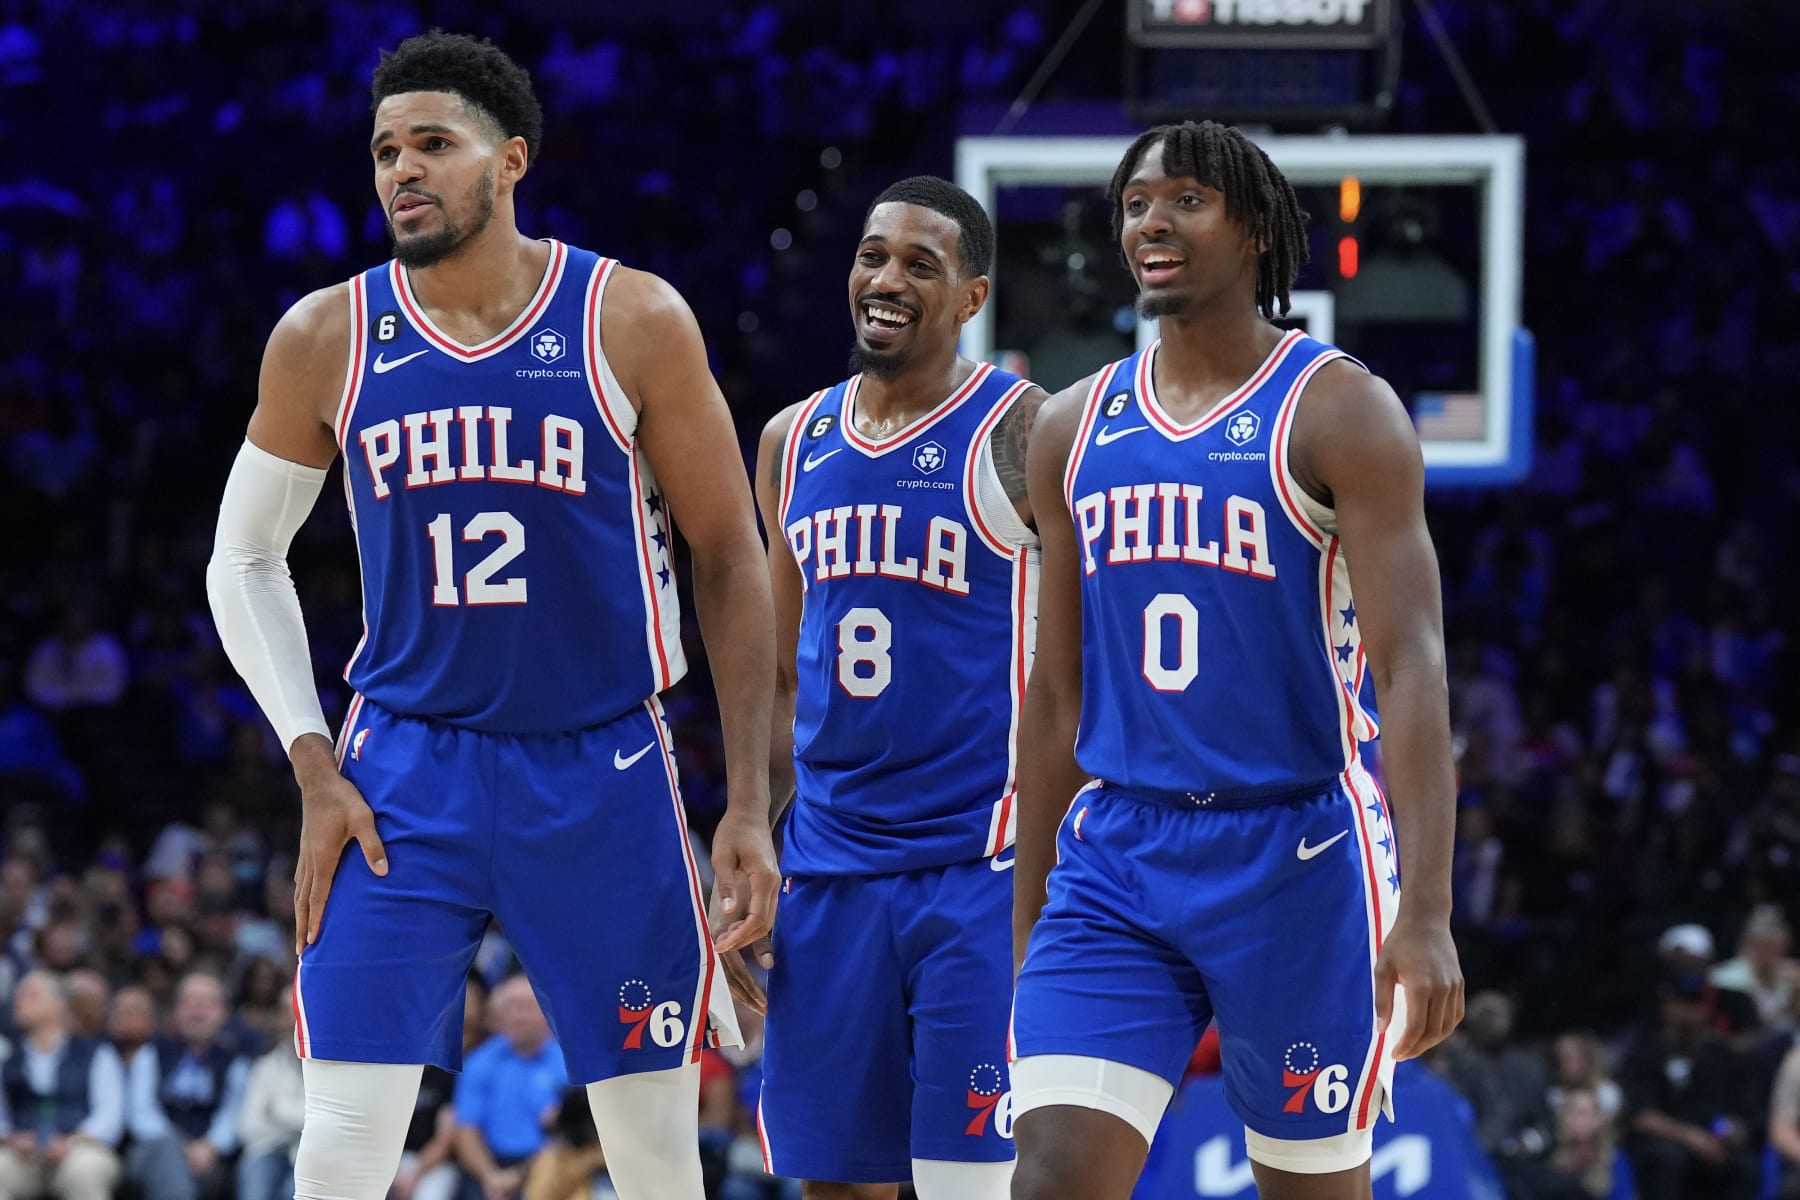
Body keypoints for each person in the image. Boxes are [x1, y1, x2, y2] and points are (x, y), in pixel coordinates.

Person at [202, 30, 780, 1200]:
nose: (401, 170)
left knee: (656, 1151)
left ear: (510, 159)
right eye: (383, 152)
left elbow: (730, 554)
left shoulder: (633, 318)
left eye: (432, 144)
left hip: (604, 763)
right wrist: (312, 762)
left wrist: (752, 802)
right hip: (402, 770)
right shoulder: (327, 336)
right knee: (342, 1139)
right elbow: (242, 556)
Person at [1008, 120, 1465, 1200]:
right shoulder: (1071, 427)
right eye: (1134, 204)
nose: (1150, 223)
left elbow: (1412, 669)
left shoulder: (1341, 410)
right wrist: (1028, 919)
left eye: (1184, 200)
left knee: (1308, 1186)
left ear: (1255, 227)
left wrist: (1429, 914)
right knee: (1053, 1179)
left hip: (1297, 851)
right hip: (1120, 852)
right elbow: (1056, 690)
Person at [744, 176, 1044, 1200]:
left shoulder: (1025, 429)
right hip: (828, 871)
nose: (887, 278)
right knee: (834, 1182)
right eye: (875, 255)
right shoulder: (793, 441)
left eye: (921, 264)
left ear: (971, 297)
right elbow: (782, 675)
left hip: (979, 868)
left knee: (973, 1184)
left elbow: (1083, 674)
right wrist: (750, 833)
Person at [0, 971, 126, 1200]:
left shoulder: (97, 1054)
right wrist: (12, 1139)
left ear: (58, 1005)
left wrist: (71, 1141)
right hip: (22, 1154)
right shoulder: (8, 1058)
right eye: (18, 994)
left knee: (84, 1170)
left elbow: (110, 1116)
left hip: (79, 1149)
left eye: (31, 994)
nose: (18, 1000)